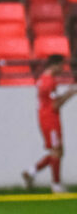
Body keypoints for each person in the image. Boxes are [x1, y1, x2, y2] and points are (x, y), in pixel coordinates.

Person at [22, 54, 76, 193]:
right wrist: (71, 93)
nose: (63, 68)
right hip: (50, 119)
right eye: (61, 65)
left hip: (45, 117)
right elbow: (55, 105)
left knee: (57, 151)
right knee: (56, 151)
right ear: (55, 65)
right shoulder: (49, 82)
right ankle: (56, 185)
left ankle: (31, 172)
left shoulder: (43, 79)